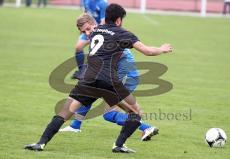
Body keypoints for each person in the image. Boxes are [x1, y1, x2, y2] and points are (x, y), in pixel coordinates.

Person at [24, 4, 173, 153]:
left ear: (105, 17)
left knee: (64, 113)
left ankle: (41, 143)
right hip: (108, 80)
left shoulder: (95, 32)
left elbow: (87, 41)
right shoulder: (123, 33)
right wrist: (161, 48)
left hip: (87, 79)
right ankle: (119, 145)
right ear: (119, 20)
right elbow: (147, 51)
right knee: (135, 112)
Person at [60, 8, 158, 142]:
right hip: (119, 75)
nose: (87, 33)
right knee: (88, 92)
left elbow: (115, 59)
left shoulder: (107, 36)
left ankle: (146, 127)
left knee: (109, 113)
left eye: (88, 29)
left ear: (94, 23)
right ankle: (76, 125)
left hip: (125, 77)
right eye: (84, 32)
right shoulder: (101, 35)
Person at [72, 0, 108, 79]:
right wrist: (83, 30)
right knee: (78, 47)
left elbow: (103, 22)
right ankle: (81, 70)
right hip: (87, 29)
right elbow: (85, 14)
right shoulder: (86, 1)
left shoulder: (102, 3)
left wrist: (96, 33)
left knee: (97, 52)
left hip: (100, 31)